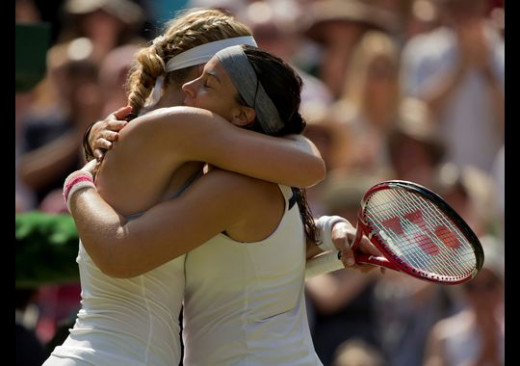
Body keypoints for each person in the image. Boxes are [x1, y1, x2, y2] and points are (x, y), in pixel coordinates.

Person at [45, 9, 373, 366]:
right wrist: (76, 183)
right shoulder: (186, 128)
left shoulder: (196, 160)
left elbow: (246, 258)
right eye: (207, 78)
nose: (193, 90)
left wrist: (329, 232)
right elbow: (311, 165)